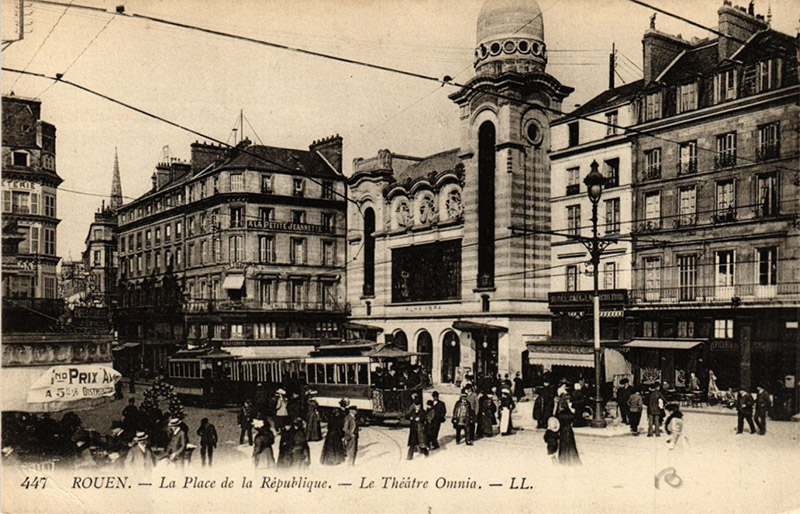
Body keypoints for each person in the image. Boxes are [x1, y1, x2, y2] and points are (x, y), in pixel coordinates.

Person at [554, 385, 581, 465]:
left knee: (563, 443)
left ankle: (563, 459)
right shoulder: (563, 404)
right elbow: (568, 416)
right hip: (566, 427)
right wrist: (572, 412)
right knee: (568, 443)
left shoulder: (559, 403)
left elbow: (557, 415)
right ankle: (568, 459)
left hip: (563, 427)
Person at [321, 399, 347, 465]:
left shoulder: (331, 418)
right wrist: (342, 434)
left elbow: (328, 427)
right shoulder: (339, 418)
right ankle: (336, 460)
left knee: (329, 448)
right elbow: (340, 427)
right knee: (337, 447)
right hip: (336, 434)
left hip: (330, 434)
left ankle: (328, 460)